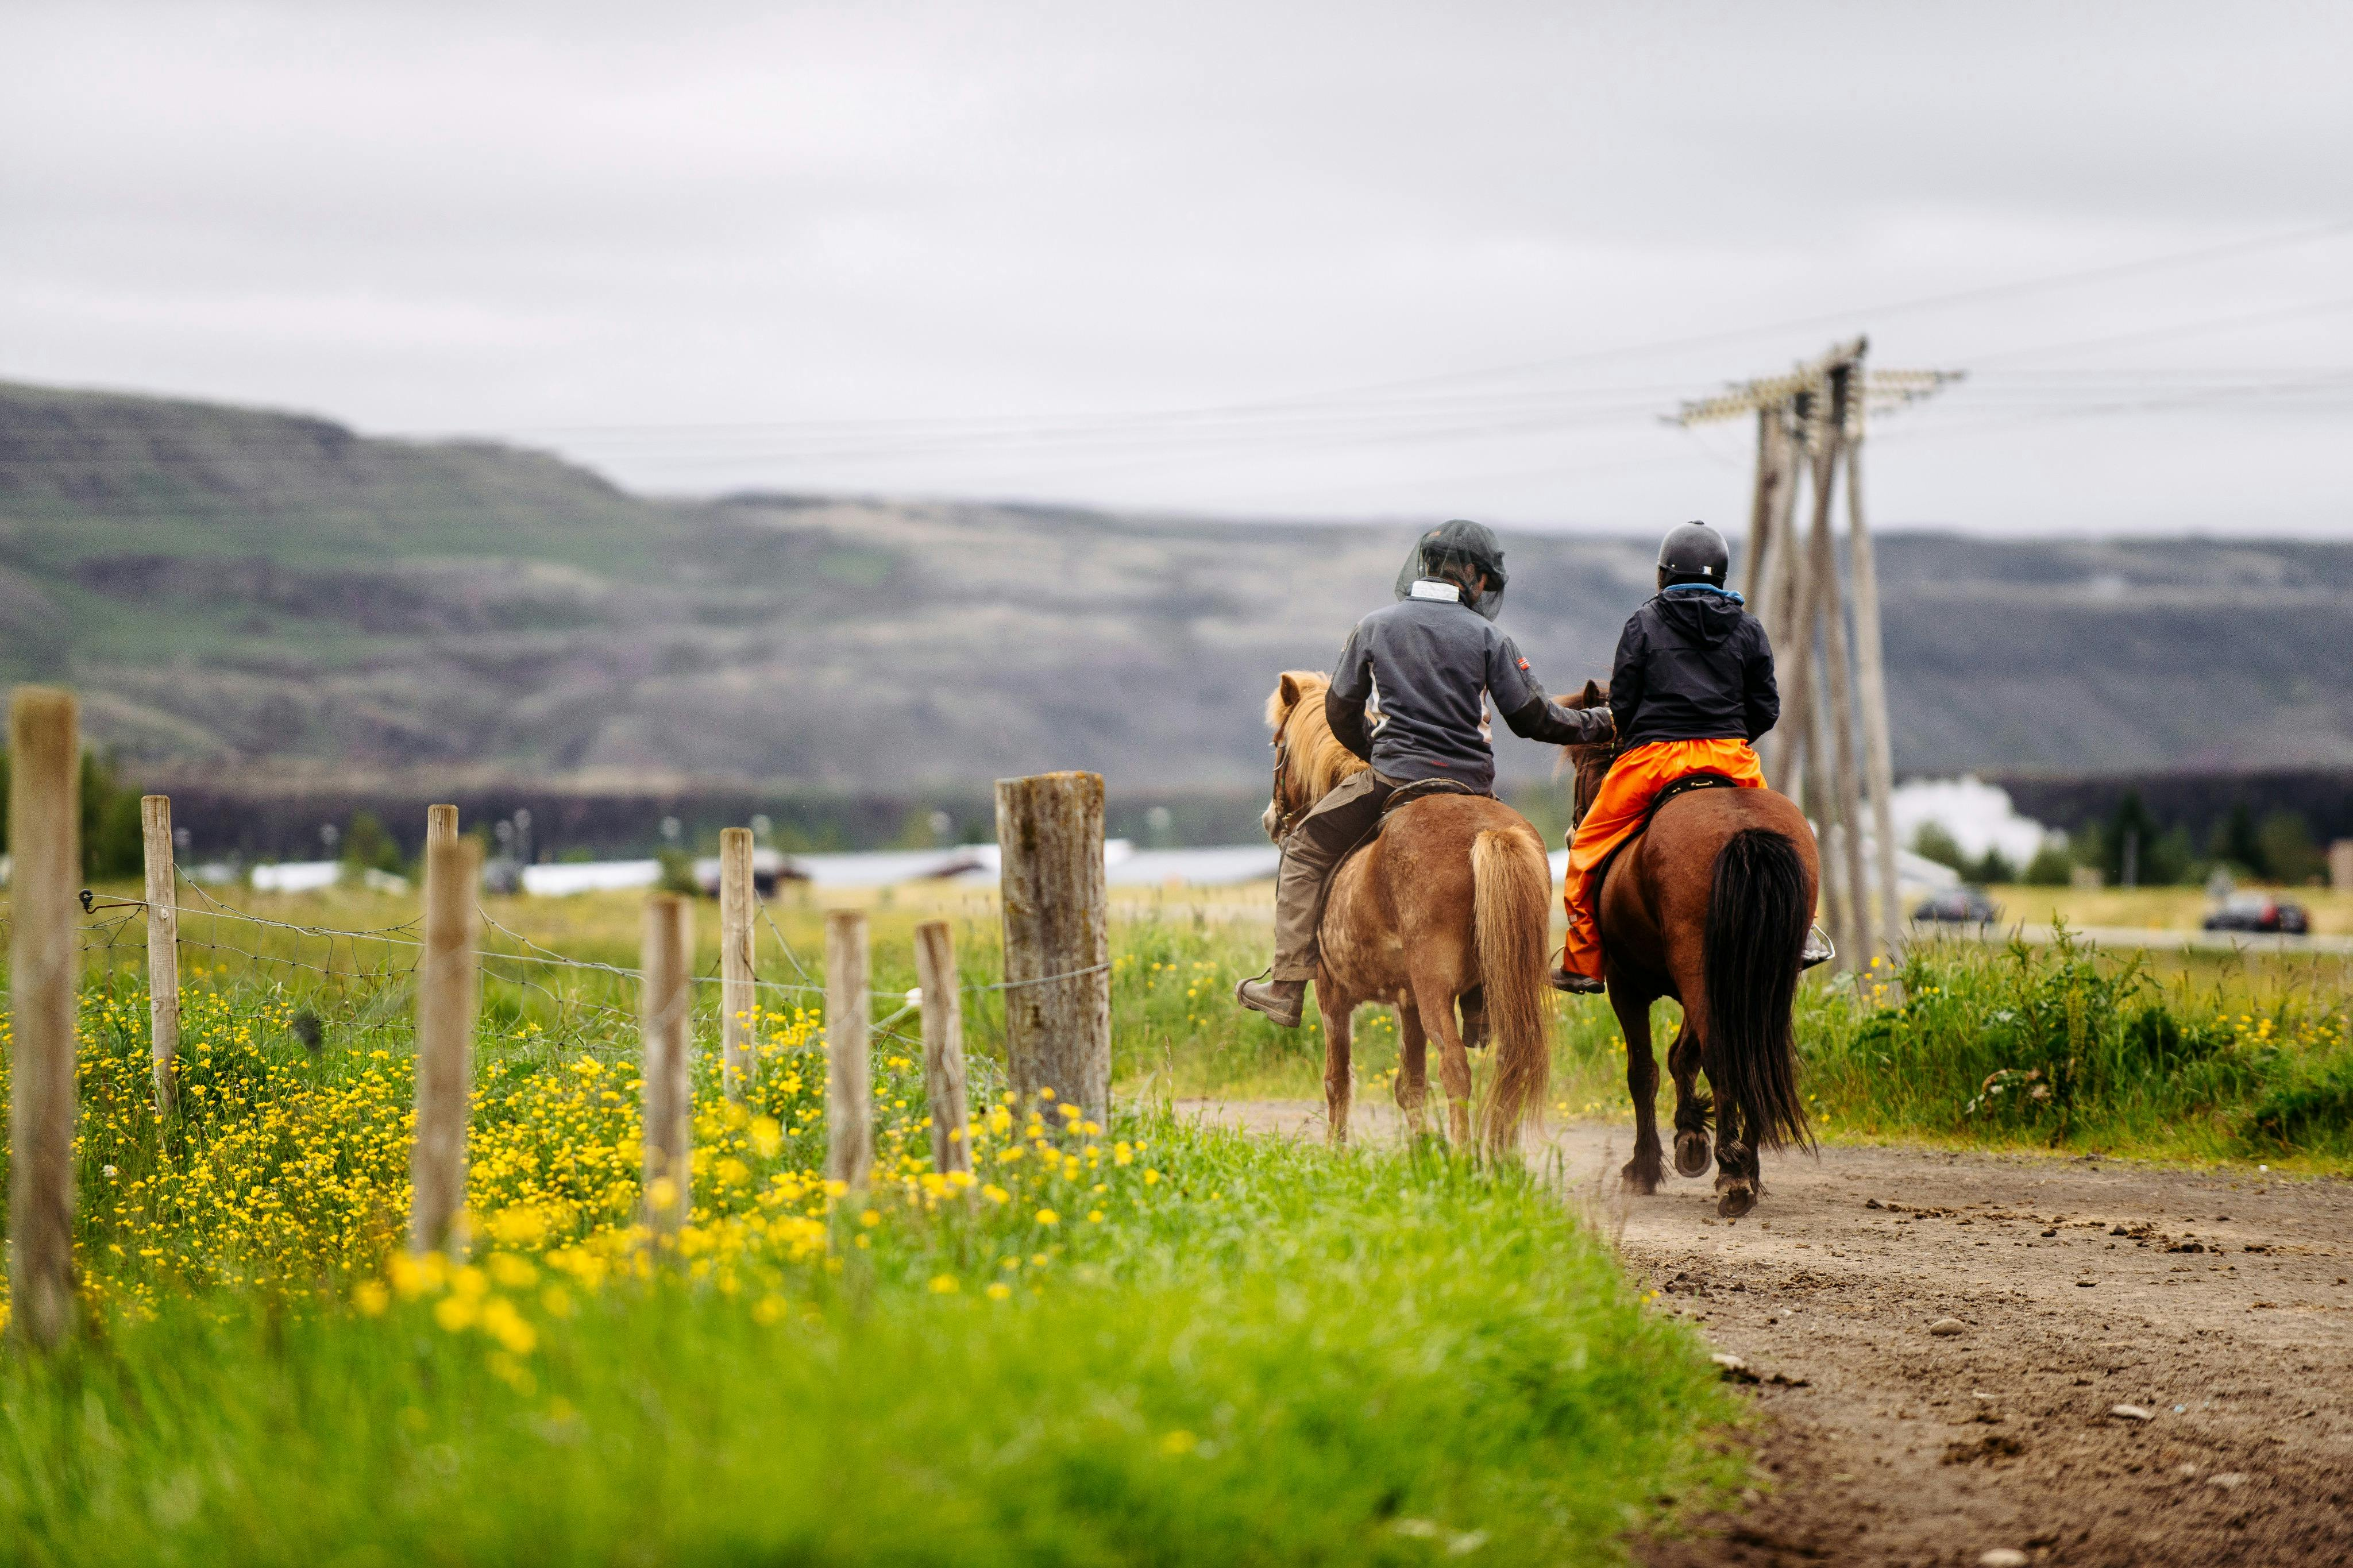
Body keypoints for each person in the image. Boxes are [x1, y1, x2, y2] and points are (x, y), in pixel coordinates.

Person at [1236, 519, 1614, 1027]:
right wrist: (1603, 721)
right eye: (1486, 582)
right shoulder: (1491, 637)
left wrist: (1375, 752)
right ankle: (1484, 1002)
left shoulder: (1374, 626)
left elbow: (1340, 710)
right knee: (1512, 861)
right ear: (1473, 579)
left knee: (1305, 849)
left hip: (1392, 781)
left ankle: (1286, 986)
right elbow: (1535, 719)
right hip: (1472, 786)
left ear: (1426, 567)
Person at [1553, 518, 1818, 994]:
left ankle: (1585, 963)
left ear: (1664, 575)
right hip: (1729, 758)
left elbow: (1625, 705)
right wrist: (1731, 736)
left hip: (1652, 761)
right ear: (1720, 576)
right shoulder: (1748, 627)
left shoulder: (1644, 622)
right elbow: (1766, 708)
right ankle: (1802, 936)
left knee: (1586, 849)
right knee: (1786, 842)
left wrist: (1644, 735)